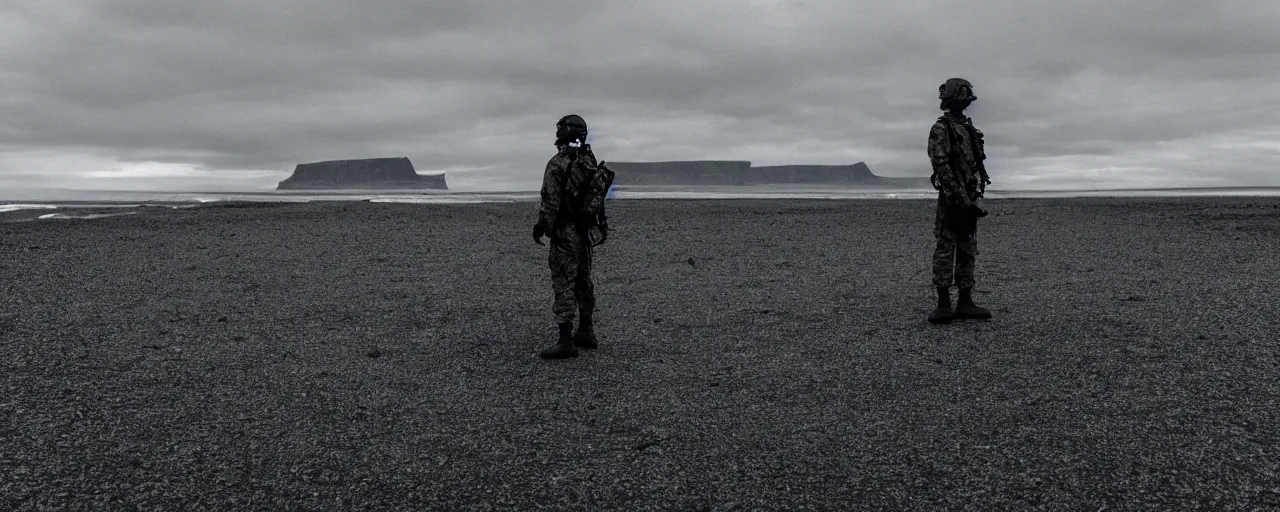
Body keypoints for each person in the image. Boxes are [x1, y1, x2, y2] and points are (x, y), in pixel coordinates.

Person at [532, 114, 611, 359]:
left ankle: (565, 339)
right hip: (585, 230)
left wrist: (542, 226)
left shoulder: (558, 163)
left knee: (563, 281)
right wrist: (600, 225)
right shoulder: (589, 160)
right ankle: (586, 330)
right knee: (583, 280)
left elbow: (550, 201)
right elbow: (598, 199)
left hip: (564, 233)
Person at [927, 78, 993, 324]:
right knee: (945, 248)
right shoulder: (942, 128)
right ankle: (943, 304)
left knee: (967, 248)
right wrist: (958, 198)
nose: (968, 96)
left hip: (968, 194)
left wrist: (970, 196)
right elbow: (941, 164)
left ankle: (965, 301)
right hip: (952, 198)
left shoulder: (965, 126)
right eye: (964, 92)